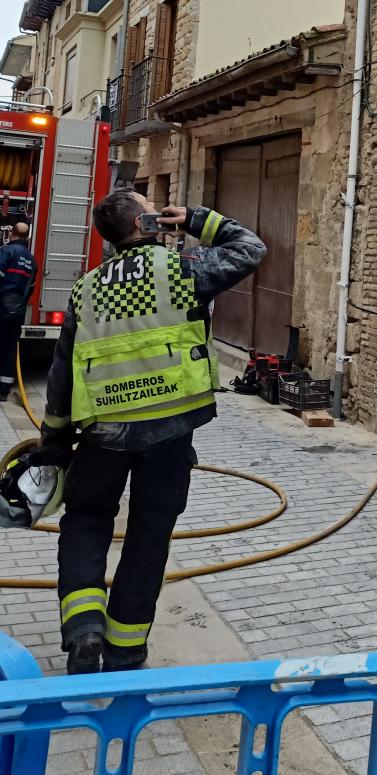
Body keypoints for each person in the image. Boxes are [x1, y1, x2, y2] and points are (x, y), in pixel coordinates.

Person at [35, 190, 266, 675]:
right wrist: (198, 219)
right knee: (147, 535)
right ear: (147, 222)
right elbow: (250, 248)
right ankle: (125, 649)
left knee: (85, 522)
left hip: (102, 434)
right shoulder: (182, 271)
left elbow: (62, 372)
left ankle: (83, 631)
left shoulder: (86, 288)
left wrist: (53, 441)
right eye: (154, 206)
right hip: (168, 433)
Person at [0, 223, 38, 402]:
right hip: (17, 309)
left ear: (12, 234)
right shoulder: (32, 260)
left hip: (1, 306)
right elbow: (30, 287)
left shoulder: (6, 252)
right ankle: (3, 390)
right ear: (26, 237)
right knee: (9, 348)